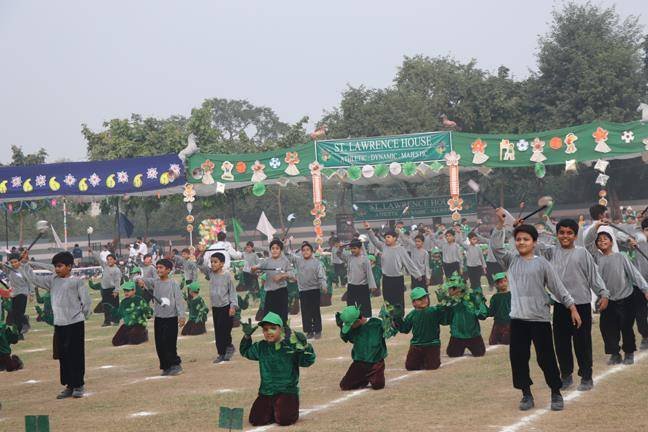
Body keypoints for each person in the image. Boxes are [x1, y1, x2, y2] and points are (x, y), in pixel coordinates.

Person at [491, 208, 581, 412]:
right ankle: (526, 394)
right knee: (519, 359)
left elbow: (557, 287)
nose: (521, 242)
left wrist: (572, 307)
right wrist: (501, 224)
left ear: (534, 242)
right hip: (518, 319)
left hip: (540, 320)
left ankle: (556, 392)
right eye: (518, 239)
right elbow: (496, 247)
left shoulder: (542, 264)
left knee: (546, 358)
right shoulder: (511, 260)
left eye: (526, 239)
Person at [537, 218, 609, 391]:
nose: (565, 236)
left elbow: (593, 276)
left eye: (569, 233)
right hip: (561, 305)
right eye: (561, 232)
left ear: (575, 236)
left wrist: (603, 293)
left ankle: (586, 376)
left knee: (582, 343)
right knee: (561, 343)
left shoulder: (582, 253)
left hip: (581, 304)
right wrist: (519, 227)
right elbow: (533, 243)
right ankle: (566, 374)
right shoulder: (551, 252)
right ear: (557, 234)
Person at [21, 251, 92, 398]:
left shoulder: (77, 281)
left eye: (60, 266)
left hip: (75, 323)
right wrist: (25, 264)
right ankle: (69, 385)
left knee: (76, 355)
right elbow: (33, 279)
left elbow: (86, 302)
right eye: (55, 266)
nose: (57, 269)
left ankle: (78, 385)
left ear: (69, 266)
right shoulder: (52, 280)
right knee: (64, 356)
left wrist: (81, 315)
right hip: (59, 324)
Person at [585, 222, 648, 366]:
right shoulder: (597, 258)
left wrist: (645, 289)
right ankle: (615, 354)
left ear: (611, 242)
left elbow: (634, 274)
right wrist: (596, 227)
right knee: (608, 329)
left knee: (626, 328)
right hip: (607, 300)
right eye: (599, 240)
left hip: (626, 298)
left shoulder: (621, 257)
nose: (602, 241)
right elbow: (588, 243)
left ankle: (629, 353)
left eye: (605, 239)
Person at [240, 312, 316, 427]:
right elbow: (246, 351)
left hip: (287, 392)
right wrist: (247, 337)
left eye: (273, 328)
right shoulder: (261, 346)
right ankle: (273, 409)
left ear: (281, 329)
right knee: (256, 420)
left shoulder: (290, 346)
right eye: (265, 329)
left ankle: (285, 409)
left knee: (284, 420)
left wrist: (305, 346)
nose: (269, 332)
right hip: (266, 392)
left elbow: (307, 361)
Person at [135, 258, 186, 376]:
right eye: (157, 267)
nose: (158, 270)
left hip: (171, 318)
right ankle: (166, 366)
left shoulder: (173, 284)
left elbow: (179, 301)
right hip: (159, 318)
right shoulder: (155, 282)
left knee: (170, 343)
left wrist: (181, 316)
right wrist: (139, 280)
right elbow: (138, 279)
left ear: (168, 270)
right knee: (160, 343)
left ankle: (175, 365)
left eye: (161, 268)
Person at [364, 222, 423, 309]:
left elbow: (409, 263)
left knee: (398, 301)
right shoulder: (383, 246)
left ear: (395, 238)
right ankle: (389, 316)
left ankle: (399, 316)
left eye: (388, 237)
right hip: (386, 279)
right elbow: (374, 240)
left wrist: (417, 275)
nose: (386, 239)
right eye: (385, 237)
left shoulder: (401, 249)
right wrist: (369, 229)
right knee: (388, 301)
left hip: (397, 279)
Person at [394, 287, 450, 370]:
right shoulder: (412, 314)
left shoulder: (434, 311)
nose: (424, 300)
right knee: (410, 367)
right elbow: (405, 329)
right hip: (416, 345)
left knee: (432, 367)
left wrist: (444, 304)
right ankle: (423, 360)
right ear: (413, 303)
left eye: (425, 297)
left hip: (432, 344)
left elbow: (445, 320)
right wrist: (397, 318)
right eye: (420, 299)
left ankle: (427, 360)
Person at [198, 252, 238, 363]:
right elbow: (200, 265)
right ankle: (221, 353)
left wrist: (233, 306)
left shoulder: (227, 276)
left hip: (226, 307)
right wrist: (201, 252)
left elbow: (232, 292)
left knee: (225, 330)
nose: (212, 264)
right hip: (216, 307)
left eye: (215, 262)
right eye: (211, 262)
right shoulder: (210, 274)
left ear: (222, 263)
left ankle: (228, 347)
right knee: (218, 331)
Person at [337, 305, 387, 391]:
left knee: (378, 385)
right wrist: (341, 326)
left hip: (376, 363)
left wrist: (392, 319)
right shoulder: (354, 329)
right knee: (344, 385)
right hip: (359, 363)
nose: (350, 327)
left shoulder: (377, 324)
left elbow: (390, 330)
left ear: (358, 321)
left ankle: (367, 377)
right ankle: (363, 379)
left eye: (351, 325)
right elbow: (347, 338)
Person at [286, 242, 327, 339]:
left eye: (307, 250)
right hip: (303, 291)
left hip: (315, 290)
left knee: (315, 311)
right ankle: (309, 331)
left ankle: (318, 330)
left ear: (312, 251)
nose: (305, 252)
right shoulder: (298, 260)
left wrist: (324, 285)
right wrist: (285, 244)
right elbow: (288, 254)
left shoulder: (317, 262)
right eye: (303, 250)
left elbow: (321, 275)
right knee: (305, 312)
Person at [444, 273, 488, 358]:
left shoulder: (472, 297)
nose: (448, 291)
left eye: (450, 288)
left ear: (459, 288)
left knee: (480, 353)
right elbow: (445, 320)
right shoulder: (450, 302)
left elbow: (483, 315)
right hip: (457, 335)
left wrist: (478, 305)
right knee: (452, 353)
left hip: (473, 334)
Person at [252, 240, 294, 326]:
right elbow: (257, 268)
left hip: (282, 292)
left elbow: (292, 273)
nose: (274, 250)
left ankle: (283, 331)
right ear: (270, 250)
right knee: (269, 318)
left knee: (282, 317)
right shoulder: (266, 261)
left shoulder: (285, 261)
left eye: (277, 248)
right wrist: (254, 268)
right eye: (273, 248)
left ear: (281, 250)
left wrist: (282, 275)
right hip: (270, 294)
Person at [338, 239, 377, 318]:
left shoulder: (365, 259)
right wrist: (341, 248)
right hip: (351, 286)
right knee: (350, 305)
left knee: (364, 306)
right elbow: (339, 254)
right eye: (351, 248)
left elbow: (369, 273)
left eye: (355, 248)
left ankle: (366, 320)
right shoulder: (349, 257)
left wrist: (372, 285)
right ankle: (352, 320)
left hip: (362, 287)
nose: (352, 250)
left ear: (360, 248)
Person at [109, 281, 153, 346]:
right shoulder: (123, 302)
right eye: (125, 291)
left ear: (134, 291)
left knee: (134, 340)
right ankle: (129, 336)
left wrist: (147, 311)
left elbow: (148, 314)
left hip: (139, 324)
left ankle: (144, 334)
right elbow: (119, 314)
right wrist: (113, 311)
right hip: (127, 325)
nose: (126, 293)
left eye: (128, 291)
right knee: (116, 342)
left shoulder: (139, 300)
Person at [628, 218, 648, 350]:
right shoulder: (638, 241)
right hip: (639, 285)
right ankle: (645, 336)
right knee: (640, 314)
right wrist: (630, 242)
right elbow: (623, 235)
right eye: (647, 230)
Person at [4, 252, 34, 333]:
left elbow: (30, 282)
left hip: (23, 293)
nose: (14, 264)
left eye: (15, 262)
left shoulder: (24, 269)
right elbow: (3, 267)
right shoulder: (9, 269)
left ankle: (25, 323)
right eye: (12, 262)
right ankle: (20, 329)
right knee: (14, 313)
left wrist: (31, 294)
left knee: (19, 312)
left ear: (19, 261)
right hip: (14, 293)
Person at [91, 249, 121, 327]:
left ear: (115, 261)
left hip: (113, 290)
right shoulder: (105, 266)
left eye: (111, 259)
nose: (109, 261)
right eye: (108, 259)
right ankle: (107, 321)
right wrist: (92, 252)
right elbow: (99, 259)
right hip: (105, 290)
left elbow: (118, 281)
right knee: (106, 306)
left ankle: (116, 321)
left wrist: (116, 290)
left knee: (115, 307)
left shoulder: (117, 270)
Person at [488, 272, 511, 345]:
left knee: (506, 341)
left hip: (509, 323)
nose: (504, 283)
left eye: (505, 281)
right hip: (498, 323)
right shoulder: (495, 297)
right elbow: (491, 312)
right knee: (493, 342)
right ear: (496, 285)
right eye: (501, 282)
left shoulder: (511, 295)